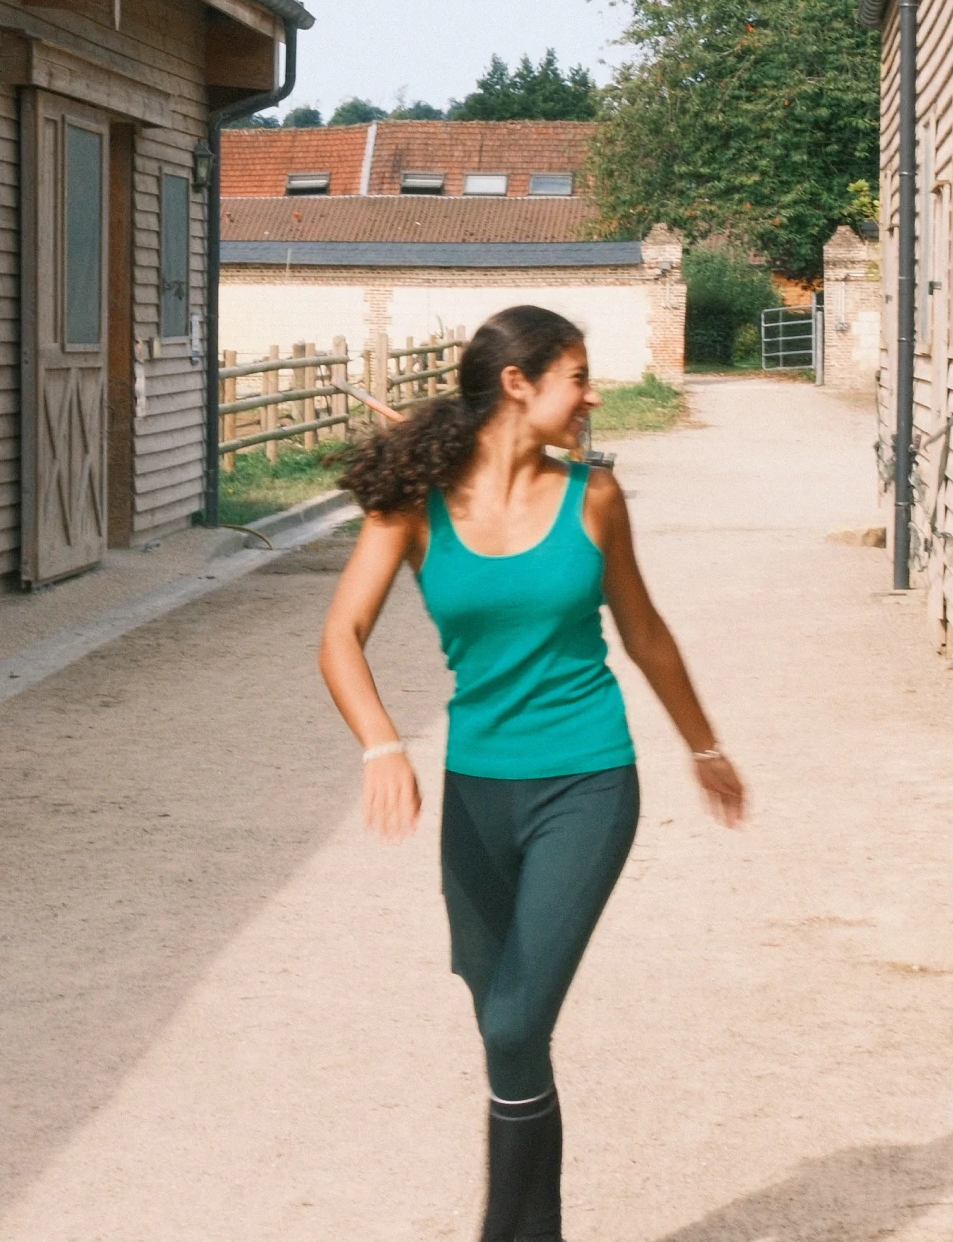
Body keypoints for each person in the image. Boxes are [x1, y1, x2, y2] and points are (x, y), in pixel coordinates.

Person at [317, 305, 748, 1242]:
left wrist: (703, 745)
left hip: (586, 782)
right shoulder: (414, 504)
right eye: (578, 376)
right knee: (503, 1026)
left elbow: (644, 633)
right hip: (478, 793)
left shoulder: (594, 497)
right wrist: (382, 743)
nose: (593, 395)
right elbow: (339, 637)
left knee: (515, 1023)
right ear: (520, 382)